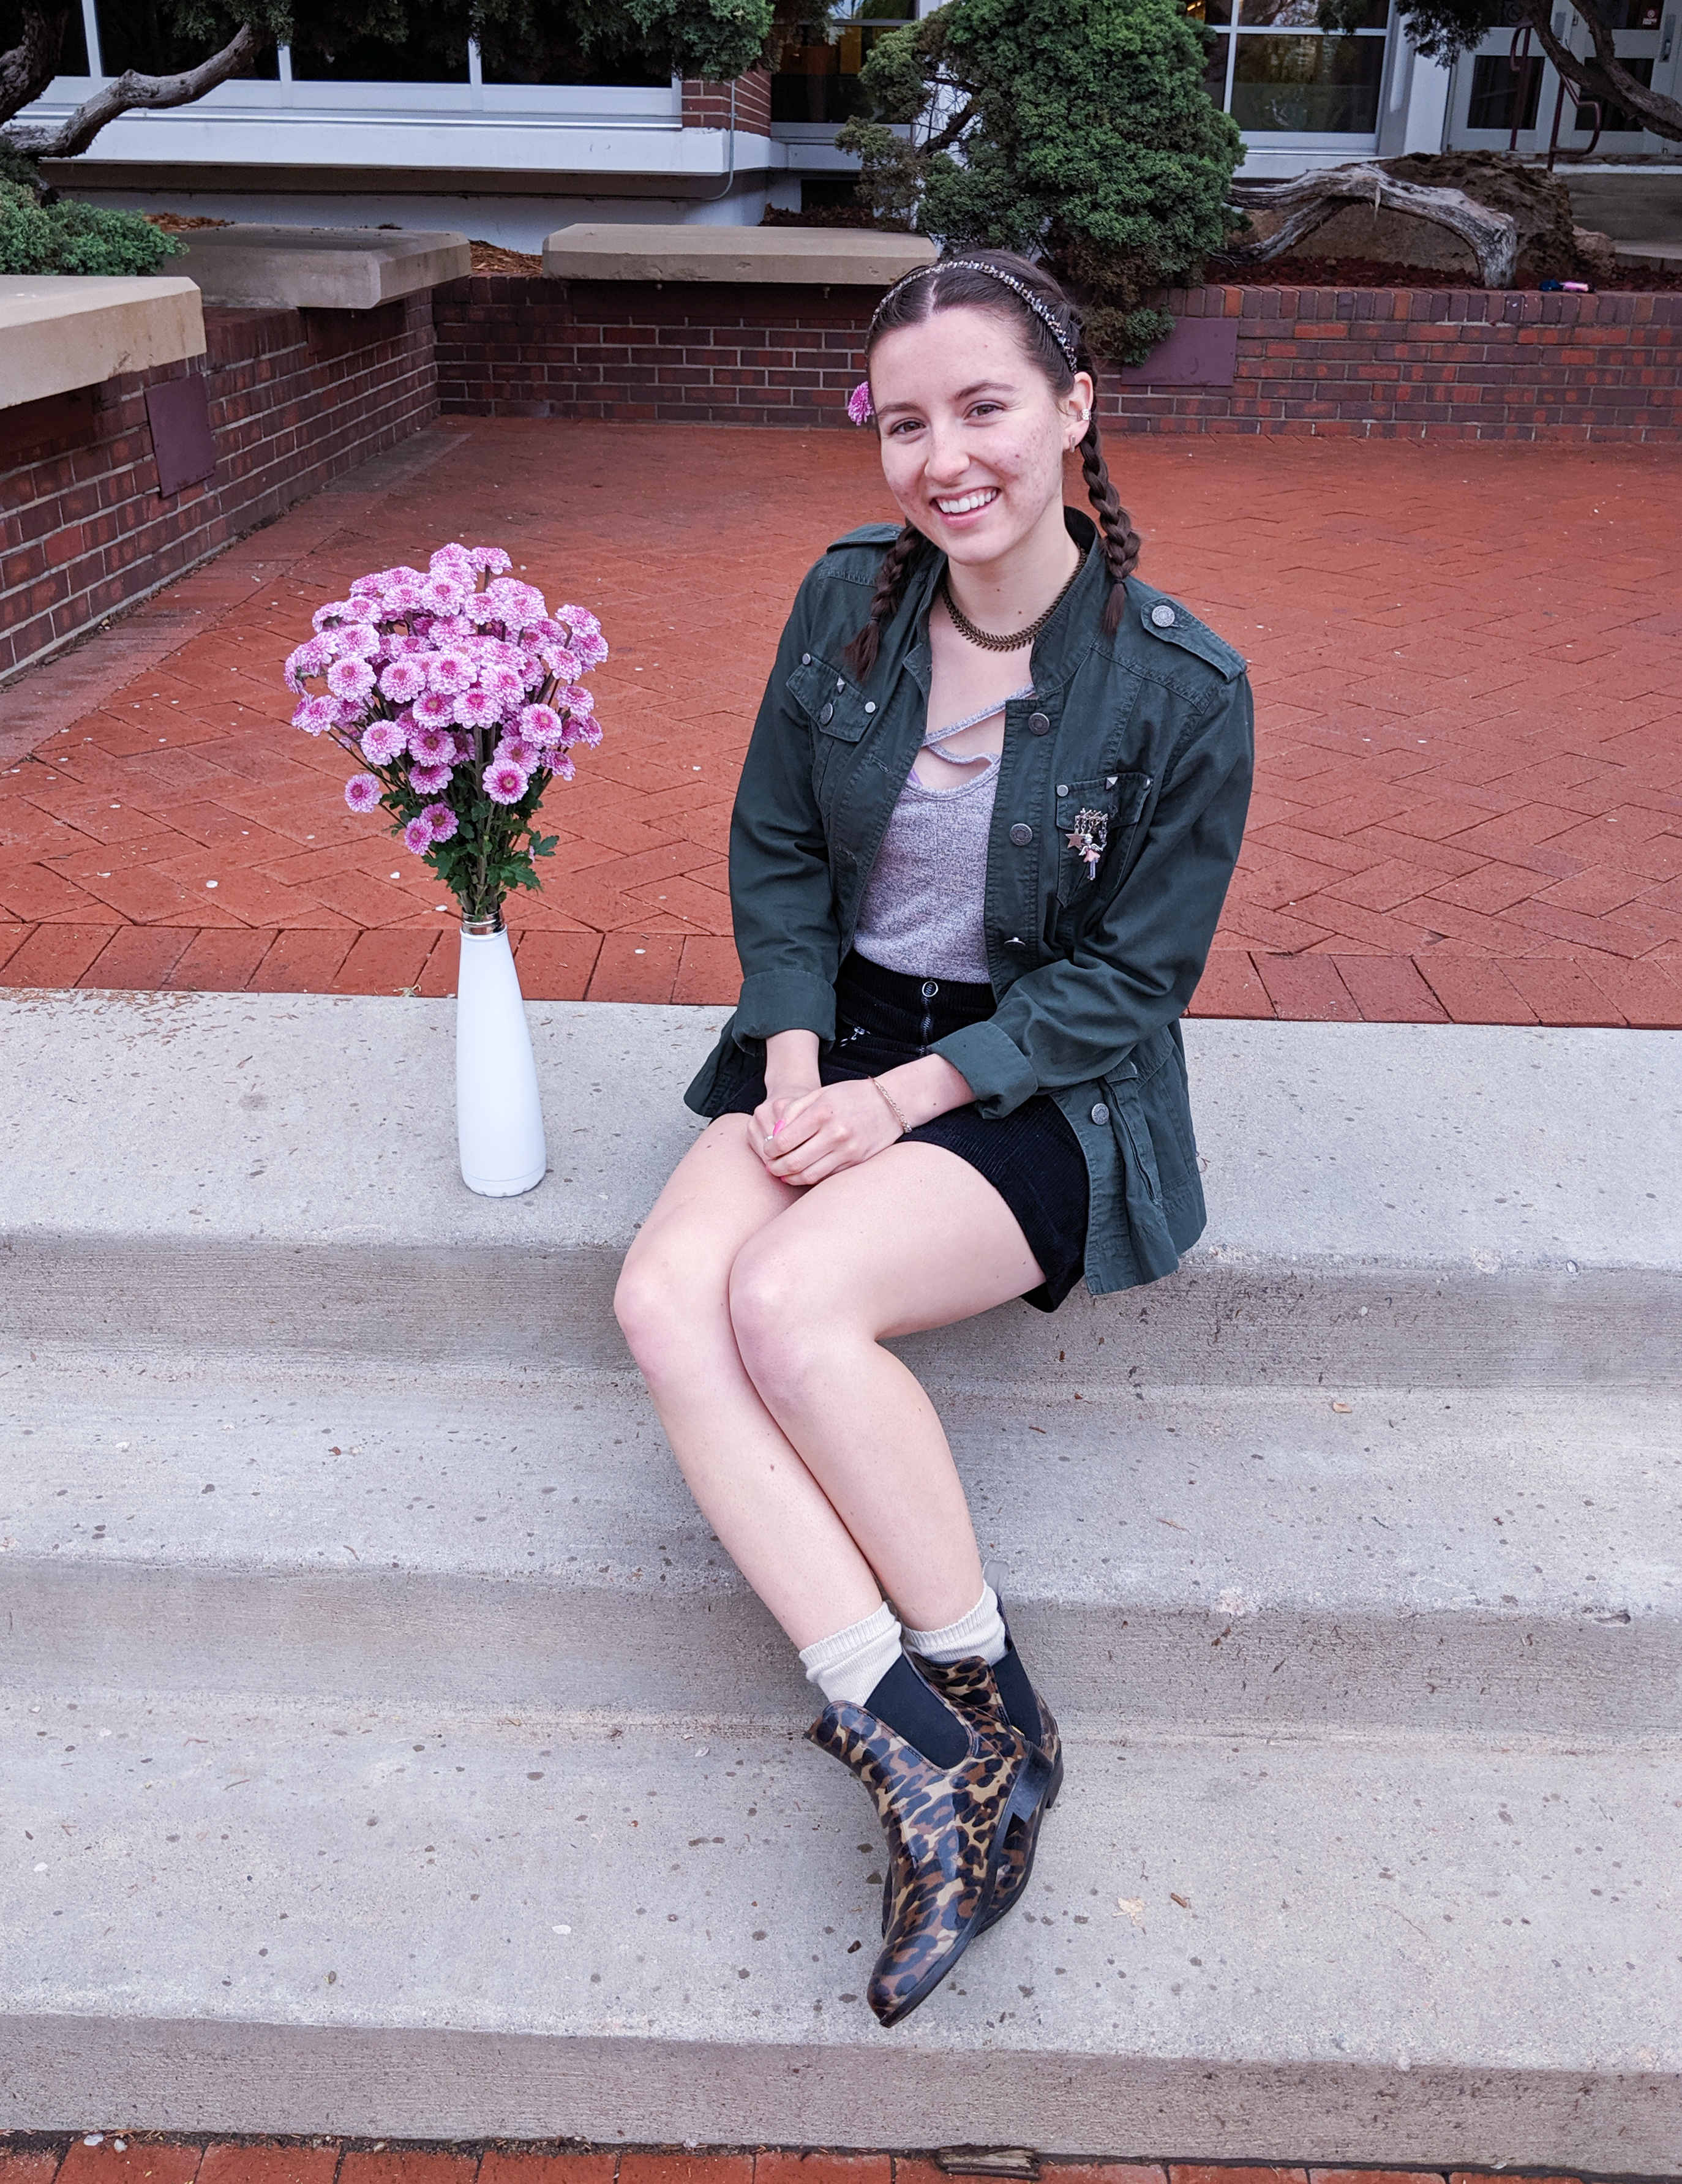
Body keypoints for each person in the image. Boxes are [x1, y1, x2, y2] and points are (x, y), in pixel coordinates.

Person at [615, 250, 1253, 2028]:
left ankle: (984, 1684)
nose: (941, 457)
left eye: (981, 407)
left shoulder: (1180, 689)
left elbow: (1134, 973)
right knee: (669, 1301)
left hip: (1035, 1083)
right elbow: (778, 855)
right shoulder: (847, 608)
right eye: (903, 421)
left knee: (791, 1305)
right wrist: (802, 1049)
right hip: (840, 1034)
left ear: (1071, 408)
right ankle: (914, 1743)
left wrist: (906, 1094)